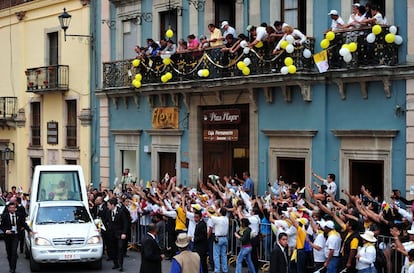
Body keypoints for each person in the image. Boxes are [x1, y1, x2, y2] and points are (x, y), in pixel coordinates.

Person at [0, 202, 34, 273]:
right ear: (8, 209)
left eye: (13, 208)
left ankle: (13, 269)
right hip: (8, 236)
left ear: (15, 208)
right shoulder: (4, 216)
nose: (12, 209)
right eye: (11, 208)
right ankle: (10, 266)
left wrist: (29, 231)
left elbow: (24, 224)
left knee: (14, 251)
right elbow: (1, 226)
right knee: (9, 253)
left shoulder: (19, 215)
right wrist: (5, 231)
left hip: (16, 236)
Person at [107, 197, 130, 271]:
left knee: (120, 249)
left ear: (113, 205)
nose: (108, 206)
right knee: (113, 249)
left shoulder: (121, 211)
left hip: (120, 233)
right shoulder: (108, 212)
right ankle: (115, 263)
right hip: (111, 234)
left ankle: (121, 265)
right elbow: (106, 221)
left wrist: (124, 233)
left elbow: (125, 223)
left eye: (109, 205)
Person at [208, 208, 229, 273]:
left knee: (216, 255)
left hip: (218, 238)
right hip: (225, 238)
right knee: (224, 255)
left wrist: (206, 209)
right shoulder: (226, 219)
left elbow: (210, 215)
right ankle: (225, 269)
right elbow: (218, 213)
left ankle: (217, 270)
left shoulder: (218, 219)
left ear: (220, 213)